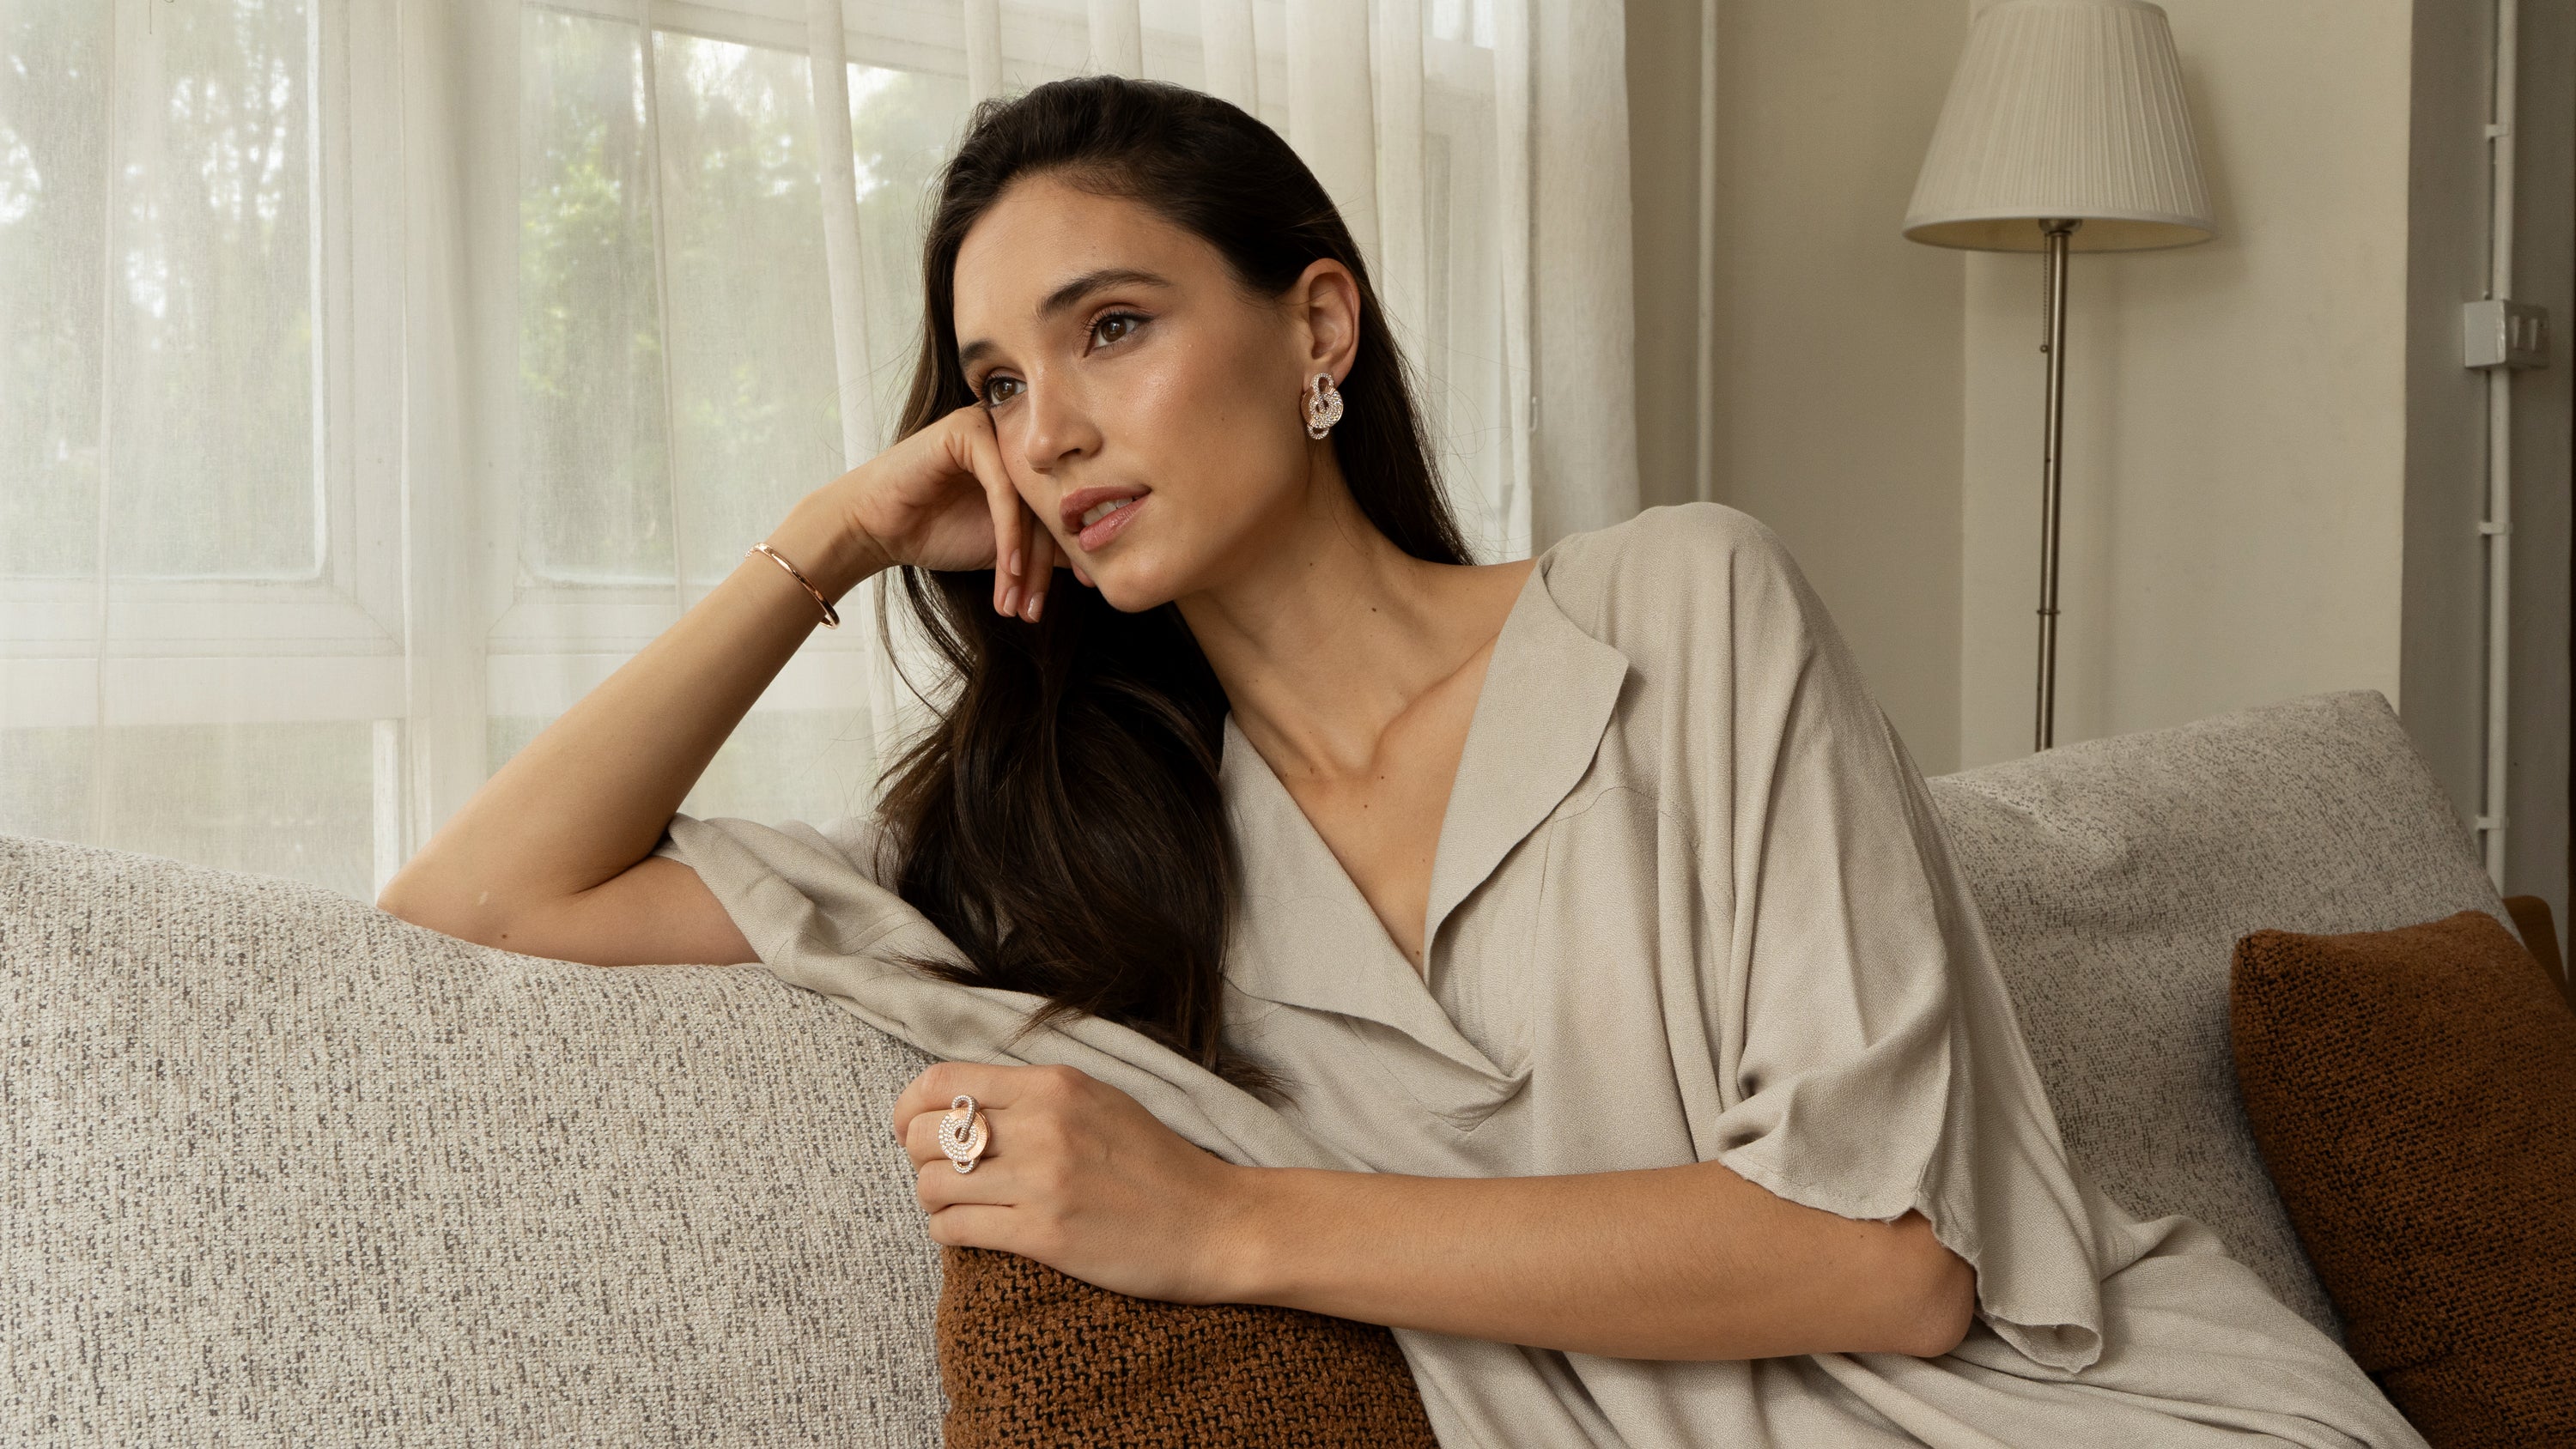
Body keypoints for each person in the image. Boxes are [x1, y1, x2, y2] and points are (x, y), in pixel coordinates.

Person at [379, 74, 2424, 1447]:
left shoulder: (1687, 614)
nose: (1050, 427)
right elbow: (477, 900)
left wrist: (1230, 1225)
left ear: (1315, 326)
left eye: (1110, 328)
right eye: (998, 384)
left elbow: (1884, 1260)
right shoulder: (1072, 868)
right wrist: (827, 533)